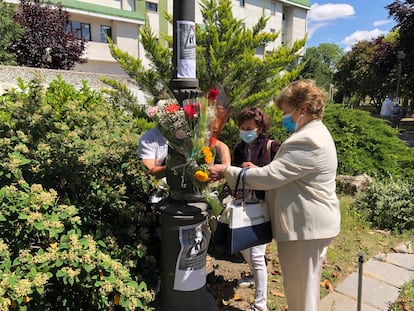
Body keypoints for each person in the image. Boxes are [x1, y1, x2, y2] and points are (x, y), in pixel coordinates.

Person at [209, 80, 341, 311]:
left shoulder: (307, 139)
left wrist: (227, 171)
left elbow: (271, 176)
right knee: (303, 290)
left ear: (302, 108)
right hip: (308, 226)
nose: (283, 117)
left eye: (285, 111)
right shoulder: (313, 132)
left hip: (305, 229)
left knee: (302, 295)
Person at [233, 107, 280, 311]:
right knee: (243, 245)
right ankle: (254, 275)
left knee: (257, 255)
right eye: (242, 128)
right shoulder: (238, 148)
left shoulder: (272, 147)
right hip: (243, 204)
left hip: (263, 205)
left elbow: (280, 174)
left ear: (260, 128)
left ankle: (261, 306)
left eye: (249, 128)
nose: (245, 131)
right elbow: (233, 173)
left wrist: (257, 172)